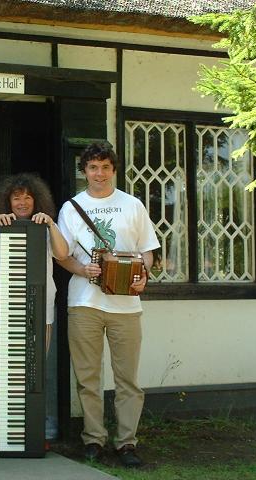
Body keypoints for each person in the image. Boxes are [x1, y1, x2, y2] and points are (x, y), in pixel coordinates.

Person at [56, 142, 160, 468]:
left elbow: (147, 250)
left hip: (126, 306)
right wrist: (82, 269)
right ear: (84, 171)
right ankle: (93, 440)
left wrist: (143, 275)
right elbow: (62, 255)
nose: (99, 174)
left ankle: (127, 443)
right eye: (92, 168)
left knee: (127, 379)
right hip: (84, 302)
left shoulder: (133, 205)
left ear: (113, 170)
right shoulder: (71, 208)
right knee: (88, 378)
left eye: (104, 167)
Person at [0, 172, 68, 441]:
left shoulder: (45, 227)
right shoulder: (0, 226)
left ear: (37, 201)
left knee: (35, 372)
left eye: (27, 197)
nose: (22, 202)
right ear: (7, 201)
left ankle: (35, 433)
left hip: (41, 311)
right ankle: (12, 433)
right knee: (9, 373)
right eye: (16, 197)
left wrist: (51, 224)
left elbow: (63, 254)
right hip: (3, 311)